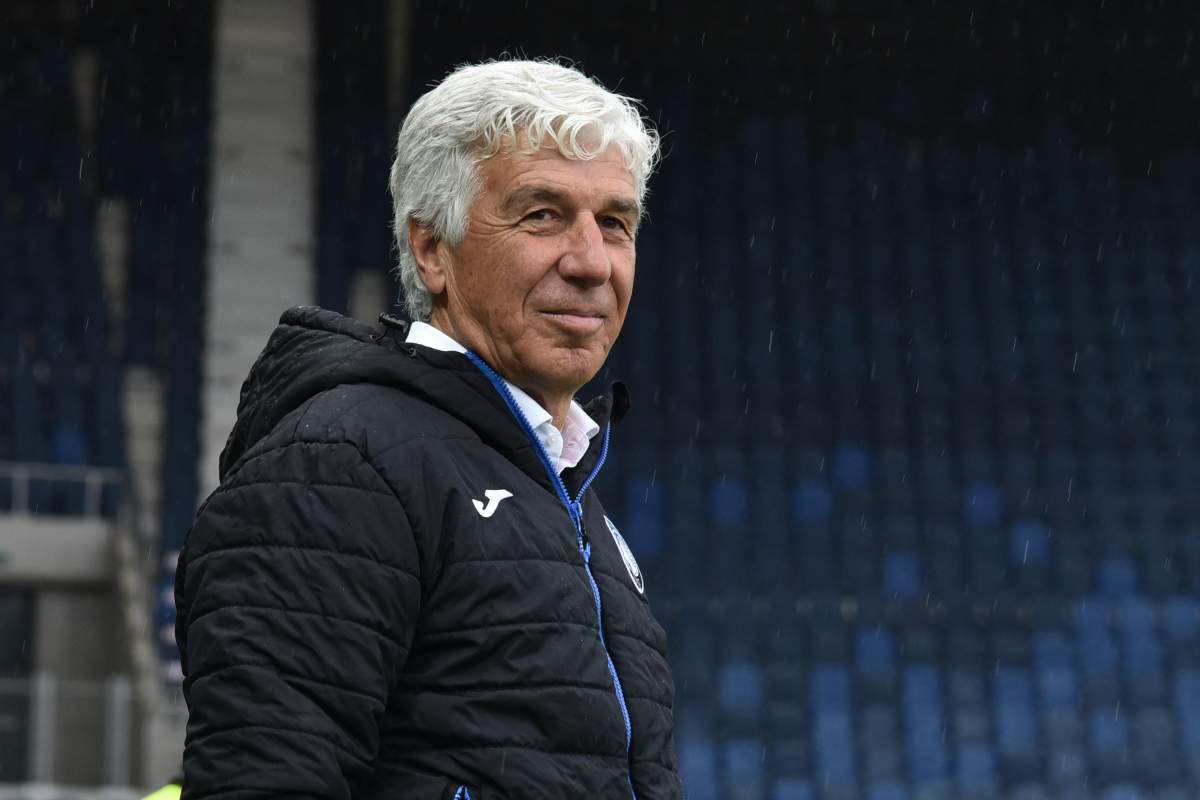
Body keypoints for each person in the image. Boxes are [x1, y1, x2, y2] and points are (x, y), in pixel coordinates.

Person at [173, 59, 682, 798]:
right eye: (542, 214)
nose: (591, 263)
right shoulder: (339, 467)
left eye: (615, 223)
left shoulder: (567, 496)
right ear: (431, 249)